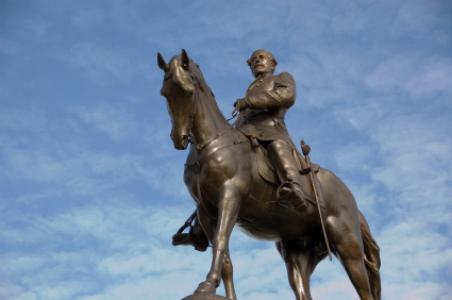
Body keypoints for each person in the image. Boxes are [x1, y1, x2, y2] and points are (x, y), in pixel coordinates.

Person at [234, 49, 308, 209]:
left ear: (272, 64)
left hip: (270, 130)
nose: (257, 61)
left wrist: (250, 101)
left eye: (262, 58)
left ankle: (295, 188)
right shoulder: (251, 88)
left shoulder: (282, 77)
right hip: (245, 133)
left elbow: (287, 96)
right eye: (253, 60)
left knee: (276, 146)